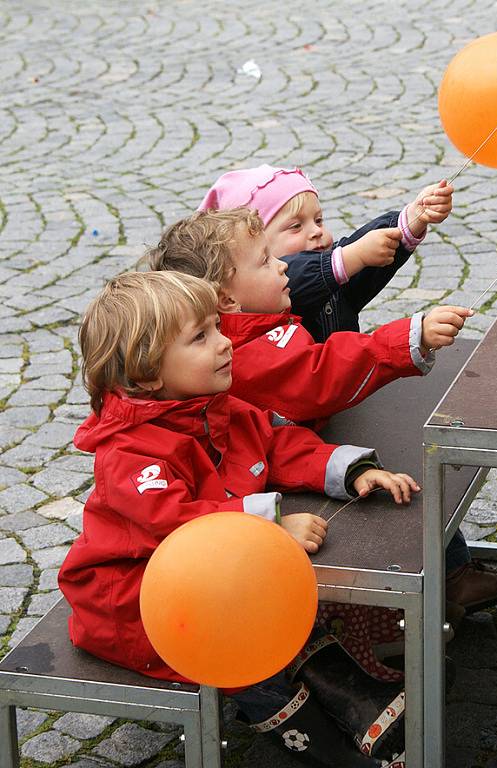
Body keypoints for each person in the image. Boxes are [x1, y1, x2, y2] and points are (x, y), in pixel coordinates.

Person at [58, 271, 415, 767]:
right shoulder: (127, 453)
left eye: (218, 327)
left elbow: (274, 444)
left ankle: (358, 703)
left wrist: (346, 470)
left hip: (204, 580)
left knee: (276, 611)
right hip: (134, 604)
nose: (226, 344)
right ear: (146, 375)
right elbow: (178, 524)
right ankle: (328, 744)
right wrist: (267, 528)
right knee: (244, 646)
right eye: (201, 337)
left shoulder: (216, 407)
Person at [147, 208, 497, 626]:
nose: (282, 265)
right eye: (265, 261)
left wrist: (348, 468)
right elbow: (318, 375)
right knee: (397, 463)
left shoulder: (255, 328)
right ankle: (405, 607)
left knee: (388, 461)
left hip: (280, 474)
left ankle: (440, 580)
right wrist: (408, 337)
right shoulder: (243, 350)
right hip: (218, 560)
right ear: (227, 298)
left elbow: (271, 438)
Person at [198, 164, 453, 342]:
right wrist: (353, 255)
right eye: (296, 226)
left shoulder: (336, 272)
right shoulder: (260, 298)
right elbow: (301, 276)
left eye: (318, 220)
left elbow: (359, 257)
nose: (315, 231)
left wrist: (411, 219)